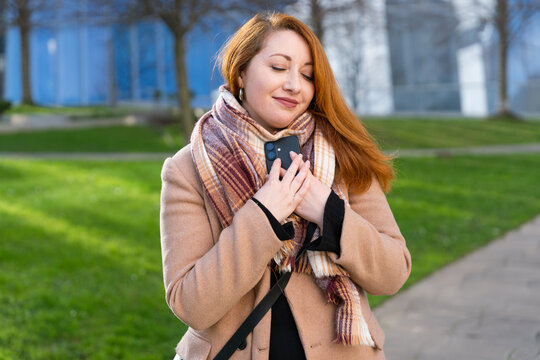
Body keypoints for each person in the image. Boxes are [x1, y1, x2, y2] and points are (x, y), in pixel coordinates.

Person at [160, 12, 411, 360]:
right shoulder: (188, 169)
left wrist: (329, 212)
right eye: (279, 67)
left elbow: (393, 273)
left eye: (307, 75)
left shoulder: (343, 156)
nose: (295, 84)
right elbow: (191, 304)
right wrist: (263, 215)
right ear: (241, 72)